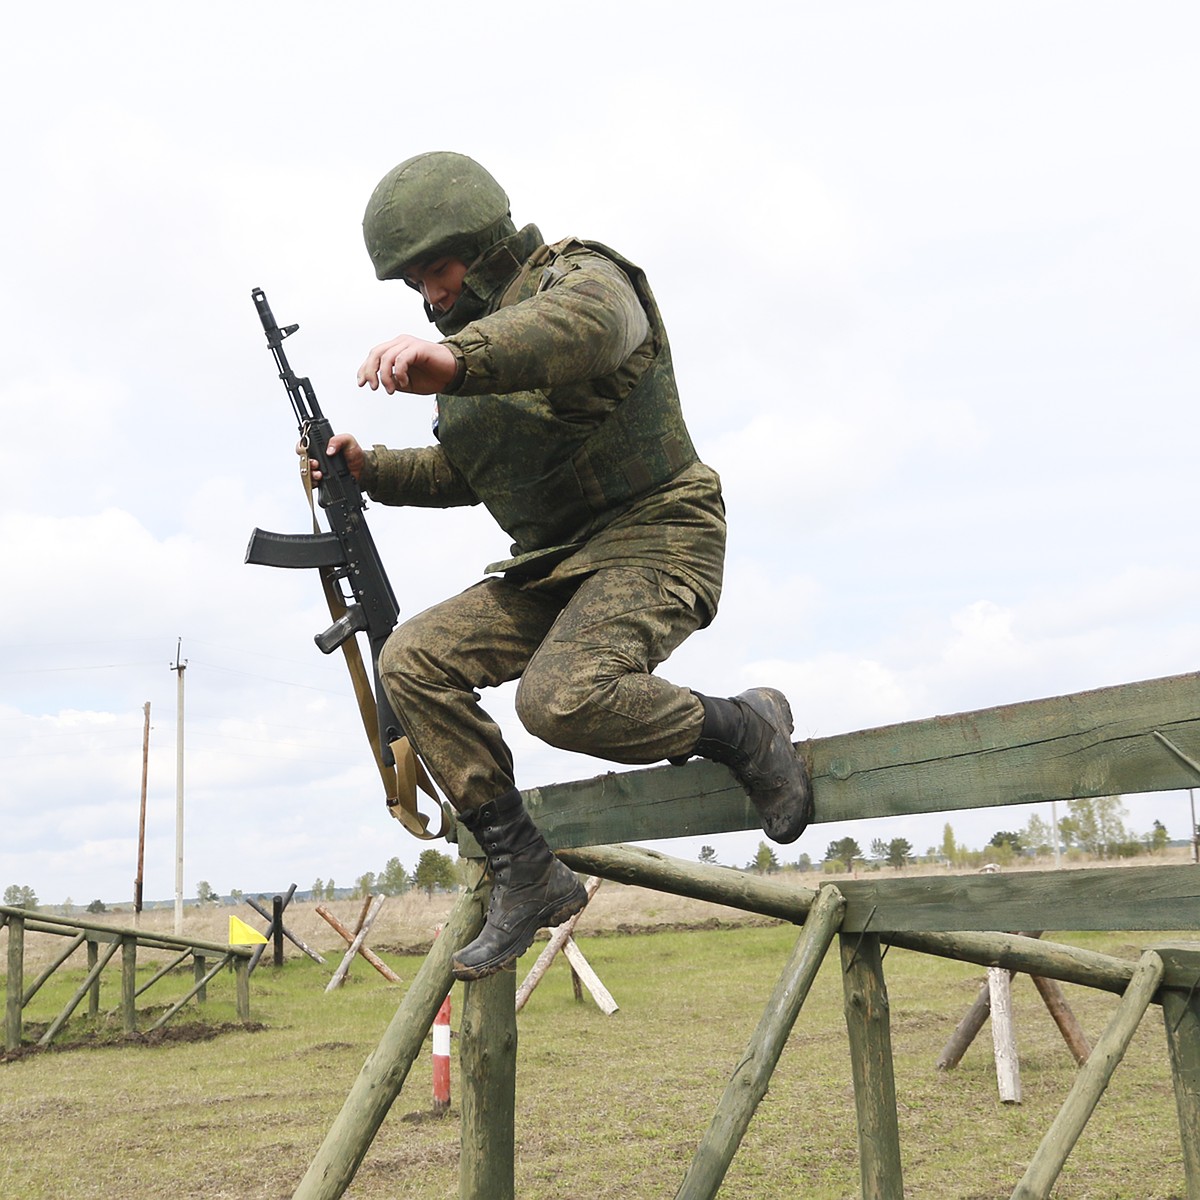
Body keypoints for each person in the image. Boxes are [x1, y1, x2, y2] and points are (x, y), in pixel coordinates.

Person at [309, 151, 812, 982]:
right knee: (412, 660)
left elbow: (587, 330)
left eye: (437, 270)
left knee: (559, 698)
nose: (430, 298)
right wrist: (366, 470)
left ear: (483, 241)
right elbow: (467, 474)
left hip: (659, 534)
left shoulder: (582, 279)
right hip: (554, 565)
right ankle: (526, 871)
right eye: (415, 286)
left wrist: (458, 361)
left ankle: (745, 728)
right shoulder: (466, 361)